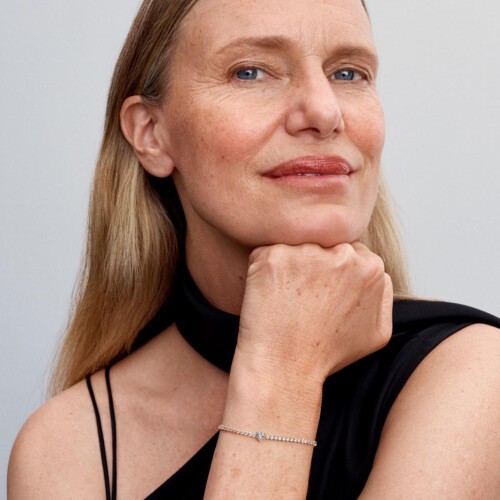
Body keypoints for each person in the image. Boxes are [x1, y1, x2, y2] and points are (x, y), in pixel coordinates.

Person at [7, 0, 500, 498]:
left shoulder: (473, 376)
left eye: (348, 74)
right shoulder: (68, 448)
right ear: (152, 134)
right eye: (250, 72)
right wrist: (283, 372)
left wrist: (284, 373)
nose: (324, 112)